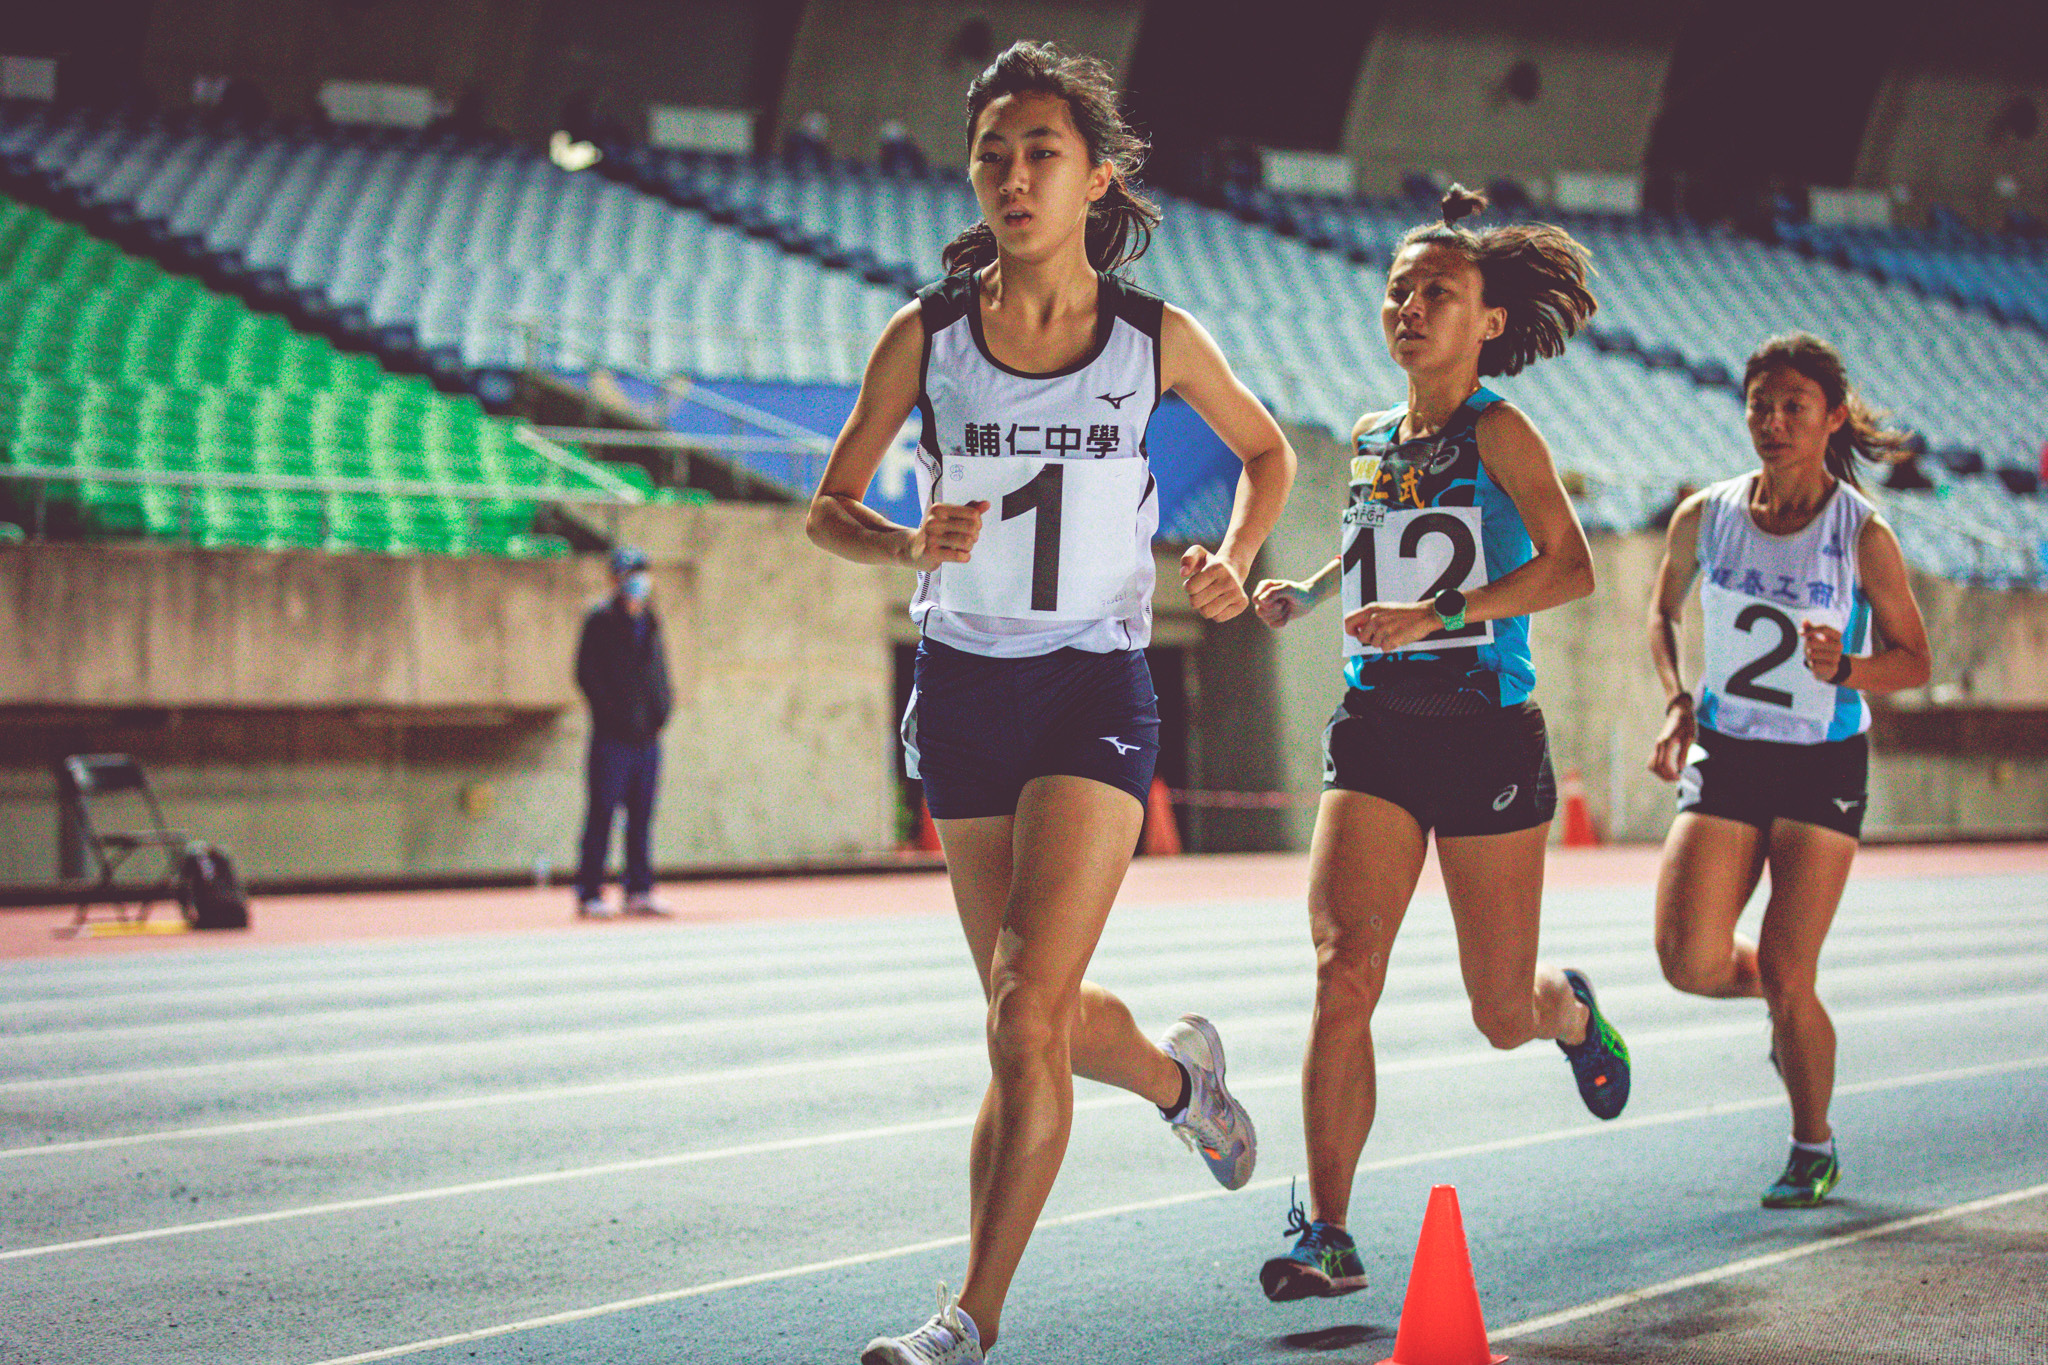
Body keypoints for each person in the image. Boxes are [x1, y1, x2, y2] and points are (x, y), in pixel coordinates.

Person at [805, 41, 1296, 1365]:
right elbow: (828, 508)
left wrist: (1232, 559)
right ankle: (1181, 1082)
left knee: (1024, 1013)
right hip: (963, 687)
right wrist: (904, 541)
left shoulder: (1151, 339)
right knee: (1031, 1017)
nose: (1014, 177)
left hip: (1092, 685)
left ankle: (966, 1320)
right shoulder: (925, 339)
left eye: (1041, 153)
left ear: (1094, 178)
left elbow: (1266, 452)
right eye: (993, 156)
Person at [1248, 186, 1628, 1302]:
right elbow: (1382, 551)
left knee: (1499, 1012)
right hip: (1376, 726)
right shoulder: (1374, 437)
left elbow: (1570, 567)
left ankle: (1568, 1010)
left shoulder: (1500, 430)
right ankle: (1326, 1232)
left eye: (1438, 293)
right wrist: (1308, 591)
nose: (1410, 307)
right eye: (1399, 290)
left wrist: (1445, 614)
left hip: (1483, 733)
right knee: (1341, 973)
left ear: (1487, 321)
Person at [1646, 332, 1931, 1208]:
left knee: (1789, 965)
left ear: (1831, 417)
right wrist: (1676, 697)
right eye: (1760, 406)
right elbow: (1661, 610)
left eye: (1793, 407)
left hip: (1820, 762)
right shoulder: (1706, 514)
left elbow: (1914, 659)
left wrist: (1848, 668)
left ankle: (1814, 1143)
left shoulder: (1862, 533)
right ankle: (1784, 1002)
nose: (1772, 421)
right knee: (1686, 959)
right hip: (1729, 749)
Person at [572, 546, 673, 919]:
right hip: (612, 738)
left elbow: (658, 673)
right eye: (631, 574)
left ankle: (639, 889)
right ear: (615, 579)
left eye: (642, 573)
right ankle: (589, 892)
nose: (638, 581)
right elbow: (586, 674)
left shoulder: (650, 620)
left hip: (647, 737)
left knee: (641, 816)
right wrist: (613, 715)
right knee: (602, 813)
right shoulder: (600, 620)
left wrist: (661, 711)